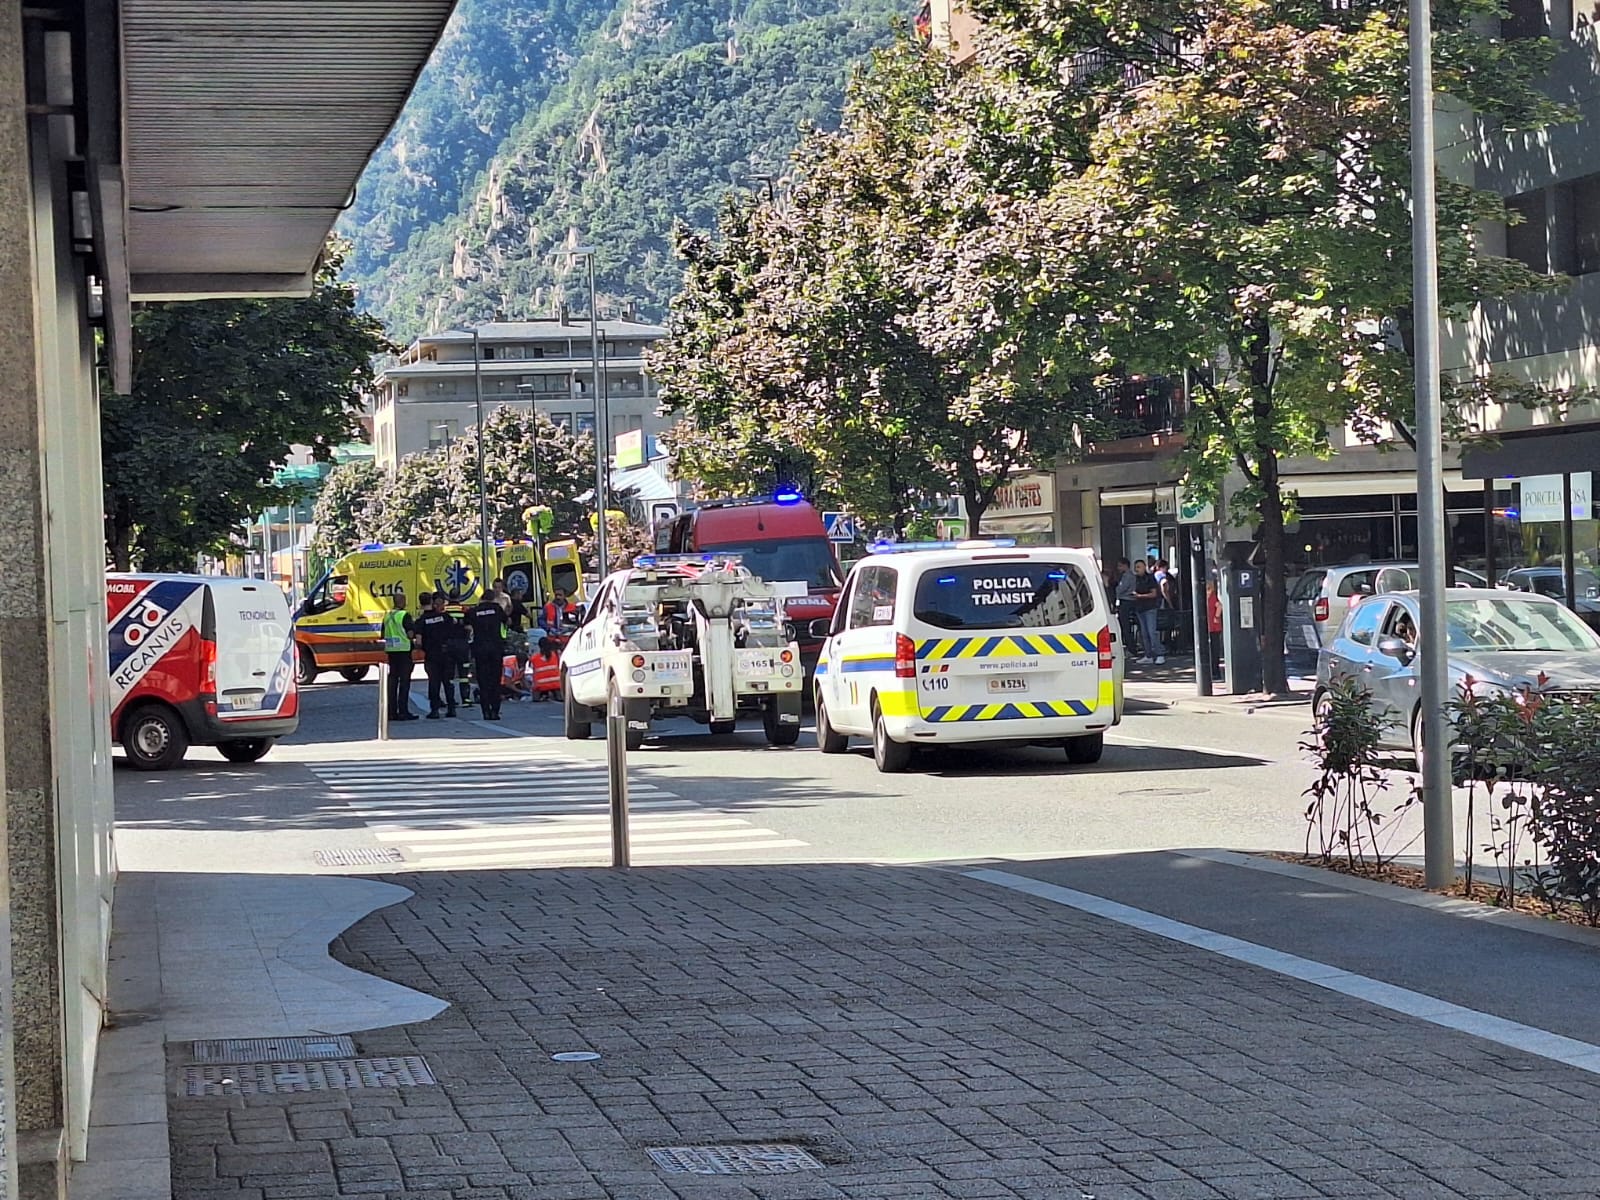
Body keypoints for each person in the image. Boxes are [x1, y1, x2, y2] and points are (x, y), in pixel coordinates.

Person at [416, 592, 459, 719]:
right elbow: (455, 623)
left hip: (432, 655)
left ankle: (434, 710)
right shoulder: (445, 617)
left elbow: (418, 641)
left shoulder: (422, 620)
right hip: (446, 653)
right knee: (448, 682)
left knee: (434, 682)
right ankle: (451, 708)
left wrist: (423, 647)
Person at [467, 590, 508, 720]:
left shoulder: (474, 611)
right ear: (493, 599)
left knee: (483, 681)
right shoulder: (497, 609)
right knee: (495, 680)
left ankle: (485, 711)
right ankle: (495, 711)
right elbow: (507, 621)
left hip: (480, 649)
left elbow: (467, 627)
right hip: (496, 648)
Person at [381, 587, 419, 721]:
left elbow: (383, 634)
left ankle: (391, 711)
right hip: (403, 651)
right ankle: (403, 711)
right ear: (402, 601)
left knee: (392, 682)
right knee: (404, 682)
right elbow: (410, 634)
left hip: (391, 651)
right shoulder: (404, 615)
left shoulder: (387, 615)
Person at [1132, 559, 1163, 665]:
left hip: (1150, 608)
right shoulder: (1135, 579)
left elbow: (1154, 594)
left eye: (1139, 567)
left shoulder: (1150, 578)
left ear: (1144, 567)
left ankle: (1159, 654)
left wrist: (1140, 596)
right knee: (1144, 633)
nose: (1137, 569)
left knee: (1152, 632)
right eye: (1136, 567)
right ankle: (1148, 655)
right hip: (1140, 608)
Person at [1114, 558, 1140, 657]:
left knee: (1125, 626)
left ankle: (1131, 649)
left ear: (1125, 565)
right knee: (1126, 626)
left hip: (1126, 602)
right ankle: (1131, 647)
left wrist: (1115, 589)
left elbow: (1120, 589)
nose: (1118, 568)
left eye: (1120, 566)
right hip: (1129, 601)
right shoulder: (1130, 576)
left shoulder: (1127, 576)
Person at [530, 636, 562, 702]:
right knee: (560, 698)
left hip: (540, 686)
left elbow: (532, 671)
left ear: (539, 646)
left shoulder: (534, 658)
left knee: (535, 699)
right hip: (556, 684)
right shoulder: (556, 654)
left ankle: (543, 695)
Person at [1206, 578, 1224, 679]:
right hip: (1211, 626)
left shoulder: (1212, 598)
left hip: (1213, 626)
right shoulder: (1210, 597)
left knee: (1214, 649)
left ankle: (1215, 672)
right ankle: (1214, 671)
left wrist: (1216, 617)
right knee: (1212, 649)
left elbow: (1219, 606)